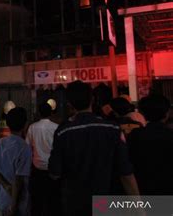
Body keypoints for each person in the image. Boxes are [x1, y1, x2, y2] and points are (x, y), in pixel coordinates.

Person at [48, 80, 140, 215]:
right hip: (106, 201)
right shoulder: (112, 128)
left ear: (69, 104)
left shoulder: (63, 132)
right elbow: (125, 172)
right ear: (92, 99)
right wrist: (138, 206)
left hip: (74, 202)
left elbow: (54, 173)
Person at [0, 107, 31, 216]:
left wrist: (5, 184)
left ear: (7, 124)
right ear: (25, 125)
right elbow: (18, 180)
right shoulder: (24, 148)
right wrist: (13, 207)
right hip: (15, 204)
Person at [128, 94, 173, 194]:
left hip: (144, 189)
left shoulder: (134, 135)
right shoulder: (170, 135)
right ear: (167, 113)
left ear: (142, 114)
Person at [26, 102, 60, 216]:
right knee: (53, 202)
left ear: (39, 113)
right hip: (53, 170)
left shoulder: (32, 127)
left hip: (37, 170)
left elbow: (27, 148)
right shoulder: (56, 127)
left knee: (37, 203)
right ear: (51, 113)